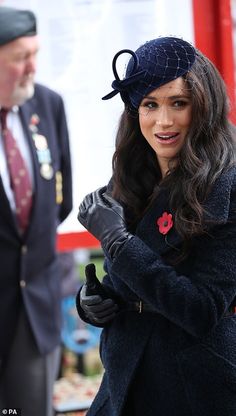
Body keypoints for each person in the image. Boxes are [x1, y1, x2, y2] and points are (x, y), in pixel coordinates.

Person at [76, 36, 236, 415]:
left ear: (203, 107)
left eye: (178, 103)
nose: (163, 121)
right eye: (150, 104)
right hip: (125, 374)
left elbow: (201, 310)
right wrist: (97, 302)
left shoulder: (226, 186)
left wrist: (117, 242)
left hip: (193, 385)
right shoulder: (133, 177)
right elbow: (130, 282)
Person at [0, 6, 72, 416]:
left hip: (34, 318)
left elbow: (59, 202)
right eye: (18, 58)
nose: (32, 67)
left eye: (35, 53)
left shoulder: (48, 105)